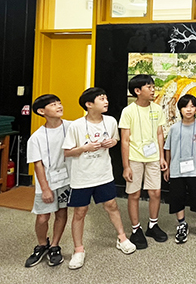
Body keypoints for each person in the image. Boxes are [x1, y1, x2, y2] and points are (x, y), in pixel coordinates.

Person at [63, 87, 136, 269]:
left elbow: (115, 139)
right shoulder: (76, 126)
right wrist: (84, 148)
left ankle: (122, 238)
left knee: (112, 205)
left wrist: (113, 142)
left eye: (106, 98)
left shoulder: (110, 121)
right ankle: (78, 250)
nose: (106, 101)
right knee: (80, 212)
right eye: (101, 99)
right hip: (82, 176)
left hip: (104, 174)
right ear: (89, 104)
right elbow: (67, 152)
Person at [119, 74, 168, 248]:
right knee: (134, 194)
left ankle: (153, 225)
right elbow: (124, 140)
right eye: (149, 87)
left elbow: (160, 134)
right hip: (134, 158)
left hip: (153, 157)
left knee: (156, 193)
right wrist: (126, 166)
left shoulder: (157, 109)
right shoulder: (128, 111)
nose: (153, 90)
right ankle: (136, 229)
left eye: (153, 86)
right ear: (137, 91)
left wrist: (162, 156)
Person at [25, 95, 71, 267]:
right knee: (43, 217)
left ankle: (55, 246)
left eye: (59, 103)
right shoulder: (36, 137)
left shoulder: (71, 127)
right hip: (47, 182)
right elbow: (38, 165)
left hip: (66, 180)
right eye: (53, 105)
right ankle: (42, 244)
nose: (59, 106)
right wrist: (45, 189)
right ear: (41, 111)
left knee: (61, 212)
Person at [164, 94, 196, 243]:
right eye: (185, 106)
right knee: (177, 198)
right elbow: (168, 148)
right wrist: (167, 167)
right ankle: (181, 224)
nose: (189, 109)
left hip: (195, 169)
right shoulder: (174, 128)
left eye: (192, 106)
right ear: (180, 109)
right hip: (176, 170)